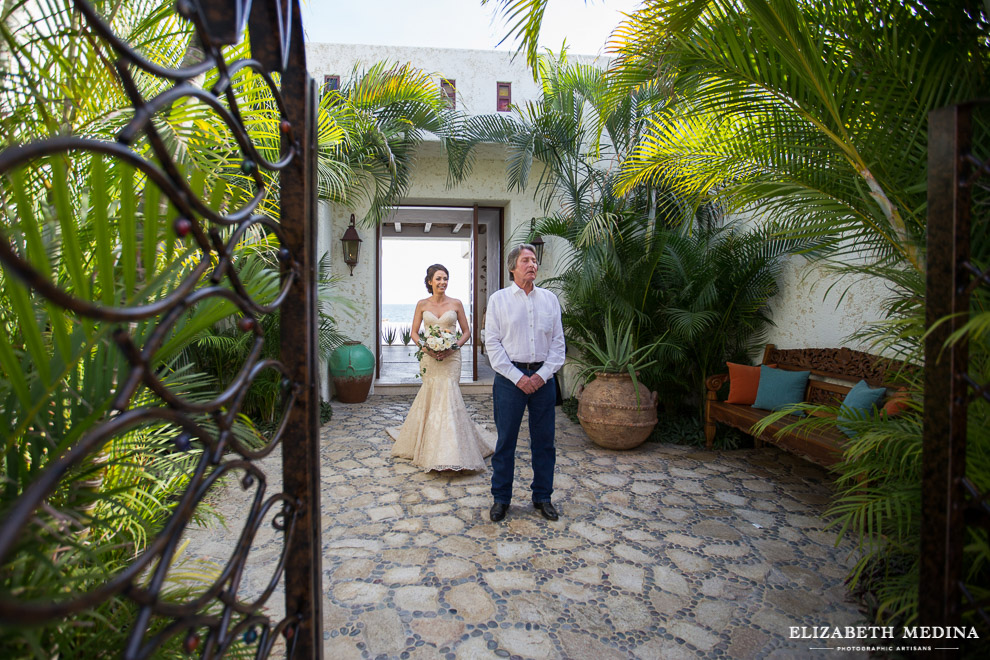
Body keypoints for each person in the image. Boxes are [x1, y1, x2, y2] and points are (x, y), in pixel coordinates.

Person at [387, 264, 496, 471]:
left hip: (451, 358)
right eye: (438, 279)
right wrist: (426, 348)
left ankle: (452, 449)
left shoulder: (456, 304)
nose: (442, 282)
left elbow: (466, 332)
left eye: (445, 278)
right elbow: (414, 333)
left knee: (449, 394)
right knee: (431, 395)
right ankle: (430, 446)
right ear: (429, 281)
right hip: (429, 357)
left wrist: (453, 346)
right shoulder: (421, 304)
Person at [484, 244, 565, 522]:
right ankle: (501, 498)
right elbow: (492, 344)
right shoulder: (498, 300)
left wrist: (541, 376)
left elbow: (558, 344)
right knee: (506, 441)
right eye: (526, 260)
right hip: (509, 380)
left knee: (544, 443)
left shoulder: (550, 300)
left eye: (534, 261)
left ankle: (543, 496)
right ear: (512, 267)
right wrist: (519, 378)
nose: (533, 265)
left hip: (544, 379)